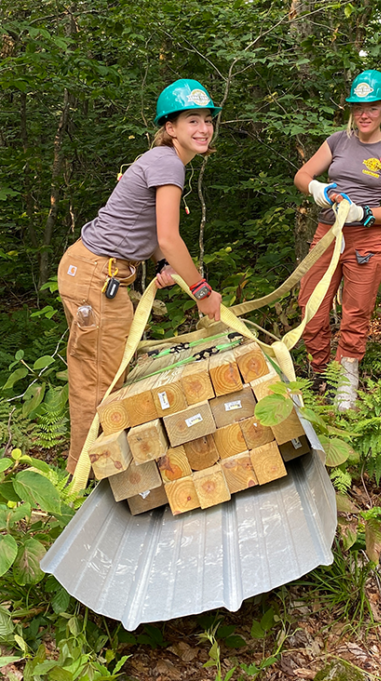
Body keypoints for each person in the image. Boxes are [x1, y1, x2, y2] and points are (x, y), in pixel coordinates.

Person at [57, 78, 224, 475]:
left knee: (102, 376)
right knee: (101, 385)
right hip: (97, 275)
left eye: (207, 120)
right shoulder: (167, 162)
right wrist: (202, 291)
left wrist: (163, 265)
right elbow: (168, 235)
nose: (202, 129)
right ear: (171, 128)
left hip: (101, 273)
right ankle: (84, 479)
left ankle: (90, 472)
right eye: (191, 121)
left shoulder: (161, 161)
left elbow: (146, 233)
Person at [293, 69, 381, 409]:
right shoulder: (337, 141)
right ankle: (319, 374)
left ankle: (346, 385)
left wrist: (363, 212)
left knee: (355, 315)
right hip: (327, 235)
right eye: (358, 107)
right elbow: (303, 175)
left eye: (372, 107)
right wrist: (317, 189)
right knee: (311, 308)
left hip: (367, 242)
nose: (364, 114)